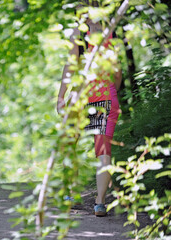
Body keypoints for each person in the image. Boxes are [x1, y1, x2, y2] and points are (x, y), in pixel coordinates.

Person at [57, 16, 122, 217]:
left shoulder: (79, 32)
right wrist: (112, 91)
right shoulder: (111, 31)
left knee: (70, 144)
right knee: (103, 151)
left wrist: (61, 96)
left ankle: (69, 195)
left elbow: (70, 66)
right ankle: (100, 203)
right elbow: (118, 73)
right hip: (106, 97)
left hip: (81, 97)